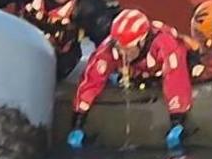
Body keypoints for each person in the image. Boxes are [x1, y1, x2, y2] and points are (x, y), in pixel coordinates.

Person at [67, 8, 193, 151]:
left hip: (170, 68)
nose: (123, 54)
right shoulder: (108, 50)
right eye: (119, 48)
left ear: (142, 41)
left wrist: (177, 120)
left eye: (128, 49)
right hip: (137, 75)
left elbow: (176, 79)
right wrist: (78, 121)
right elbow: (91, 80)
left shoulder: (165, 45)